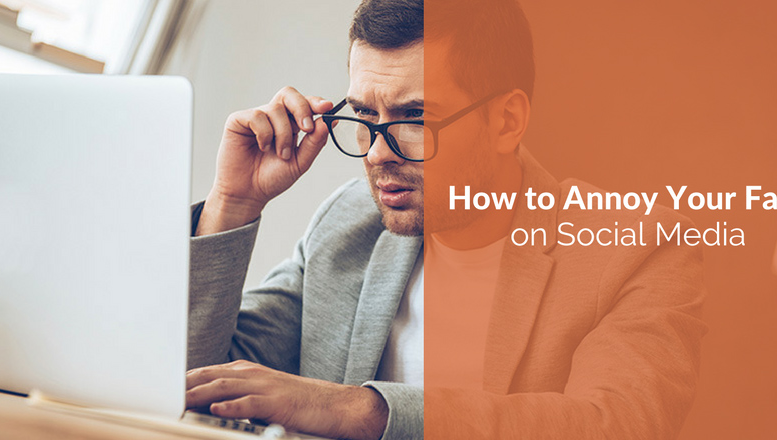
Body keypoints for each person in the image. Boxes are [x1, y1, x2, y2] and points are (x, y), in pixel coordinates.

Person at [184, 0, 707, 439]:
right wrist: (233, 204)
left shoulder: (638, 247)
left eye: (414, 118)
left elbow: (613, 424)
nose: (375, 155)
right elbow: (193, 378)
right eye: (365, 115)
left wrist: (362, 410)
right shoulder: (350, 223)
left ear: (506, 121)